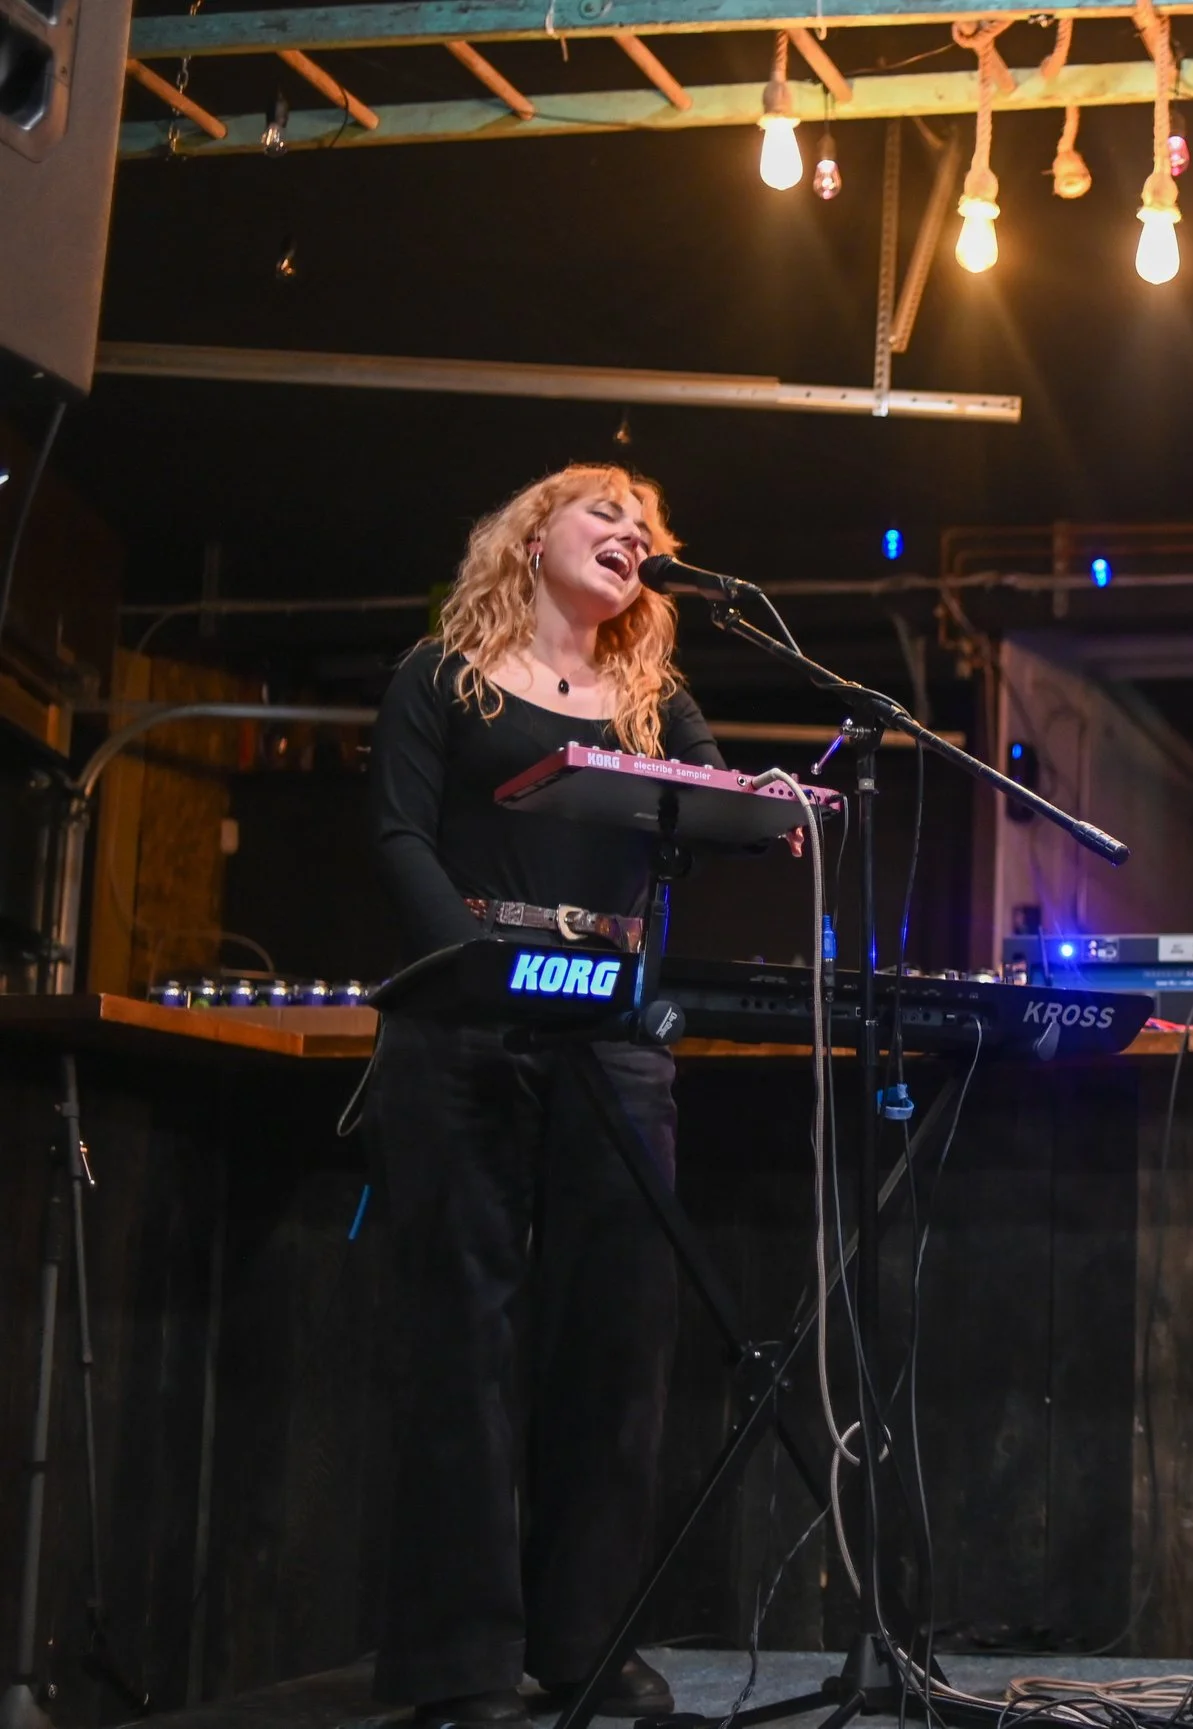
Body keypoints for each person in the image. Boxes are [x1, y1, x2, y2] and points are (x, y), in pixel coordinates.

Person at [366, 464, 722, 1729]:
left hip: (613, 1024)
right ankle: (459, 1660)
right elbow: (400, 832)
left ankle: (587, 1640)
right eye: (603, 515)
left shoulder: (651, 698)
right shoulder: (440, 679)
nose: (631, 535)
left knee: (617, 1337)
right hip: (469, 1017)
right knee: (463, 1339)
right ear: (530, 537)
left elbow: (724, 806)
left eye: (646, 528)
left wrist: (787, 809)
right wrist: (465, 959)